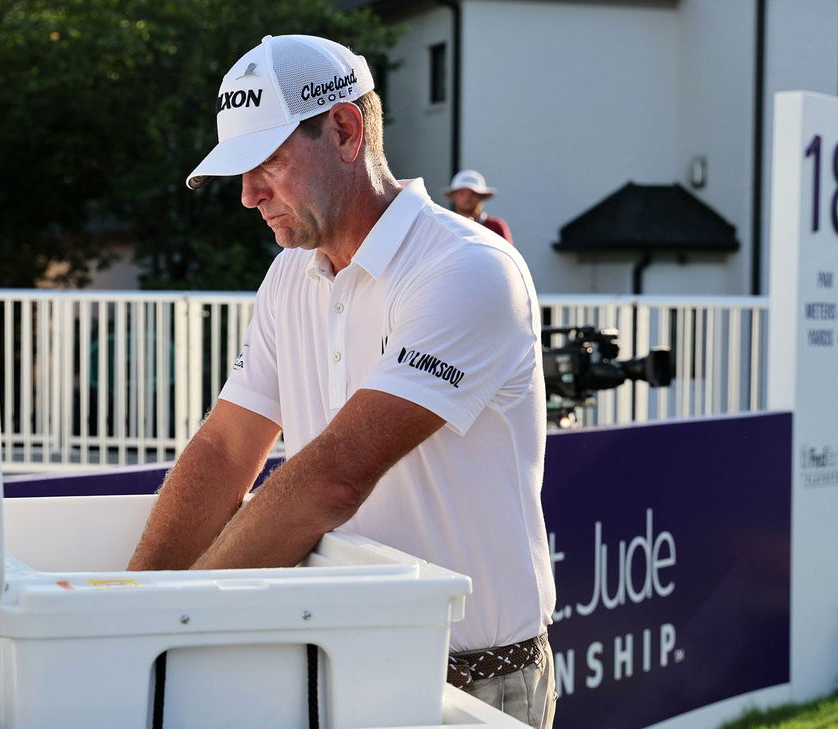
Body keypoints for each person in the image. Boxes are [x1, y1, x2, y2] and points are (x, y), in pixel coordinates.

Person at [127, 34, 556, 727]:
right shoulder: (289, 274)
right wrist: (124, 616)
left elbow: (334, 475)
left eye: (265, 162)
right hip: (338, 667)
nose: (246, 196)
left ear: (347, 130)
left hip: (474, 684)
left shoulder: (469, 269)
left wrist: (176, 629)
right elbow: (226, 448)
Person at [444, 169, 514, 243]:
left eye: (473, 194)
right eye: (462, 193)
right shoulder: (446, 226)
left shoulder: (497, 226)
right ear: (454, 197)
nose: (467, 198)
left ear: (482, 196)